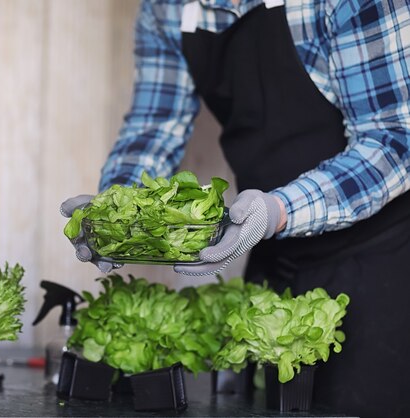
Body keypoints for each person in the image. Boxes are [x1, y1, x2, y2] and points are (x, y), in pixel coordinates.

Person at [61, 0, 410, 416]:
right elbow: (154, 124)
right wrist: (120, 212)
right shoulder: (164, 9)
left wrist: (279, 210)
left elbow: (394, 137)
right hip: (268, 251)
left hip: (381, 260)